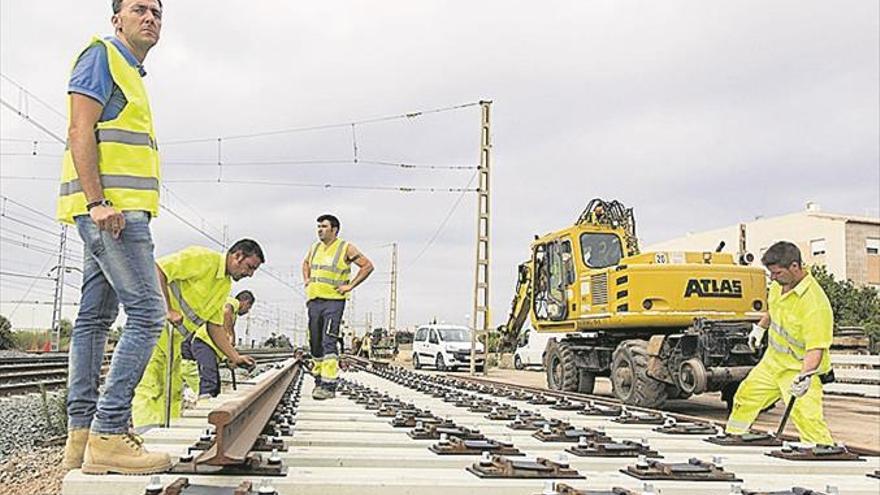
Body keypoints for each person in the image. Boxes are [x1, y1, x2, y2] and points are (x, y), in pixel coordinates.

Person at [60, 0, 169, 475]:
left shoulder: (130, 72)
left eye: (157, 12)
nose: (150, 18)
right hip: (113, 214)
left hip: (112, 213)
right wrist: (97, 202)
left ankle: (81, 436)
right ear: (117, 19)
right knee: (148, 314)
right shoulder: (102, 56)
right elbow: (78, 128)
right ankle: (108, 432)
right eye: (139, 9)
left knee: (94, 318)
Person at [131, 240, 262, 430]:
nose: (249, 274)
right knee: (150, 385)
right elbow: (157, 269)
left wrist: (235, 356)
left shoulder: (223, 286)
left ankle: (167, 432)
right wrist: (168, 309)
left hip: (174, 342)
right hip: (154, 330)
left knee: (172, 389)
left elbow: (214, 327)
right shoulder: (202, 258)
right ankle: (146, 434)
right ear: (238, 256)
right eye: (250, 267)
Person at [726, 241, 835, 445]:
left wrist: (804, 377)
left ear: (795, 266)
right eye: (771, 274)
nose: (773, 278)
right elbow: (774, 309)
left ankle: (822, 453)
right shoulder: (780, 286)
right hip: (771, 364)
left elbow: (816, 347)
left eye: (777, 273)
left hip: (799, 371)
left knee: (807, 418)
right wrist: (760, 327)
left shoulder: (815, 304)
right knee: (745, 398)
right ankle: (733, 436)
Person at [302, 214, 373, 399]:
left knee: (328, 341)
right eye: (318, 226)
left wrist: (350, 286)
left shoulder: (345, 248)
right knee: (315, 343)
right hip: (314, 300)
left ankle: (329, 385)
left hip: (333, 301)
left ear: (334, 229)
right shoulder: (314, 248)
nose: (320, 230)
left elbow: (367, 266)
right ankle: (319, 380)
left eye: (324, 226)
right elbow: (305, 263)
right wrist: (307, 280)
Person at [181, 290, 256, 399]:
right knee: (209, 381)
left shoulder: (233, 314)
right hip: (204, 343)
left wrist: (229, 357)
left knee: (215, 385)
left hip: (211, 346)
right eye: (248, 308)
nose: (247, 311)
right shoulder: (232, 302)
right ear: (245, 302)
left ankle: (210, 406)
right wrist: (231, 333)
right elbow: (226, 310)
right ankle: (203, 408)